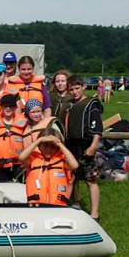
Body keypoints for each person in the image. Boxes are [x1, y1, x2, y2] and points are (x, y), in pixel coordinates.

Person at [61, 75, 103, 222]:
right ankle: (65, 208)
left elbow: (97, 129)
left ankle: (94, 214)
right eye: (71, 89)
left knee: (90, 180)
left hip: (86, 146)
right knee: (70, 179)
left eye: (77, 88)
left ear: (83, 87)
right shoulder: (67, 105)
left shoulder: (91, 105)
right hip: (70, 147)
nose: (74, 92)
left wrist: (93, 146)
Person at [19, 128, 78, 206]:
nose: (49, 149)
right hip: (36, 206)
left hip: (58, 206)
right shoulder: (32, 161)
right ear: (39, 146)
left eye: (52, 146)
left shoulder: (62, 161)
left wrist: (60, 144)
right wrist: (38, 140)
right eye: (45, 145)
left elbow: (75, 165)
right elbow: (21, 157)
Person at [0, 95, 27, 182]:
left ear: (15, 108)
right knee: (3, 187)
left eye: (11, 106)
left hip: (19, 164)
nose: (8, 108)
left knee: (18, 187)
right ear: (1, 107)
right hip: (2, 164)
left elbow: (26, 142)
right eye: (5, 106)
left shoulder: (23, 122)